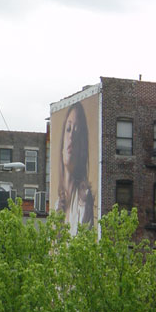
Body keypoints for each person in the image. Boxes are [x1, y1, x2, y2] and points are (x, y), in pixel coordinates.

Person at [56, 101, 94, 235]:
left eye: (76, 132)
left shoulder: (84, 201)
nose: (71, 136)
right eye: (68, 129)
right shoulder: (57, 205)